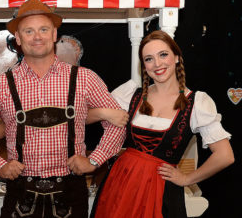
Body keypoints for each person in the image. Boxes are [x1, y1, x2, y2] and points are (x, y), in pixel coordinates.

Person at [0, 0, 127, 218]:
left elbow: (117, 125)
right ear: (19, 39)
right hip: (20, 193)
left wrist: (94, 161)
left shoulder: (84, 79)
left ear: (54, 35)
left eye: (43, 29)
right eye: (29, 31)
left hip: (70, 193)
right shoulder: (2, 84)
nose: (37, 36)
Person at [92, 30, 234, 218]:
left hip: (160, 189)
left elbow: (225, 156)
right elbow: (81, 118)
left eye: (163, 55)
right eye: (149, 59)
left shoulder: (197, 103)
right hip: (121, 183)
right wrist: (104, 112)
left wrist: (186, 179)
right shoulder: (131, 95)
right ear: (143, 65)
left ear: (176, 57)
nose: (157, 64)